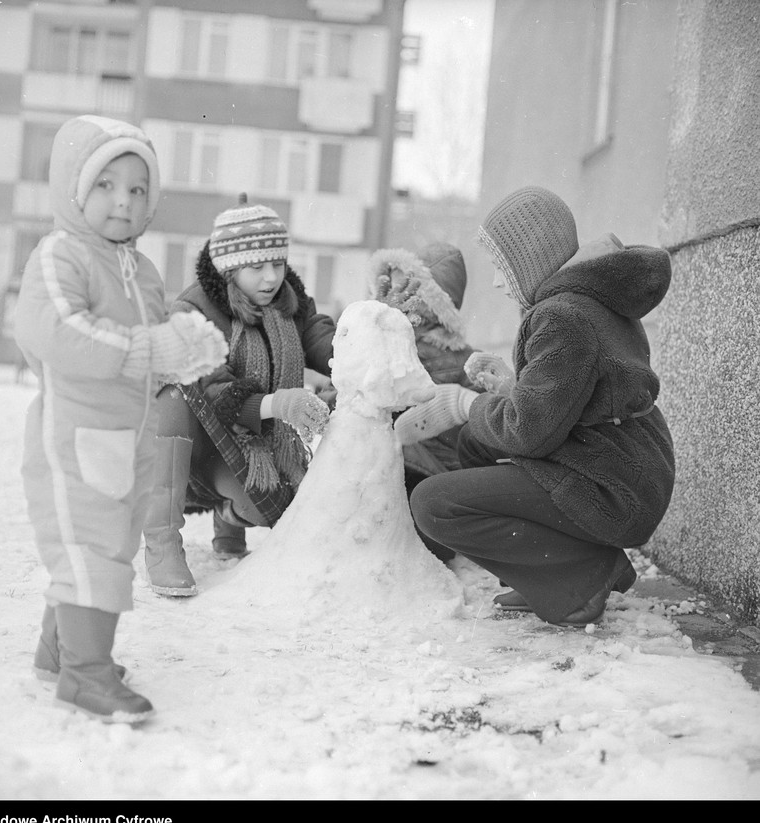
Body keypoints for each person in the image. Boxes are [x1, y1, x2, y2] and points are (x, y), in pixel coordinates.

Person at [15, 114, 228, 723]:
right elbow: (53, 332)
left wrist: (183, 350)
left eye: (138, 189)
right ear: (74, 188)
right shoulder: (61, 255)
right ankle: (86, 675)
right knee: (90, 548)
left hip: (127, 435)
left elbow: (155, 343)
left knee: (111, 542)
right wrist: (145, 349)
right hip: (73, 436)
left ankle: (59, 653)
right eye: (107, 185)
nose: (124, 202)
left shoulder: (143, 270)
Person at [397, 185, 675, 627]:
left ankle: (583, 578)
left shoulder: (563, 316)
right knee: (475, 445)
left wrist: (464, 403)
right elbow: (586, 392)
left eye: (498, 266)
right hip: (628, 465)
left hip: (614, 485)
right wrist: (512, 386)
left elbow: (530, 432)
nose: (494, 281)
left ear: (528, 260)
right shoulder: (589, 298)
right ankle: (558, 573)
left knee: (434, 504)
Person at [143, 194, 335, 597]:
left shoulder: (289, 303)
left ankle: (229, 515)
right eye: (256, 267)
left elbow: (323, 340)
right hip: (194, 443)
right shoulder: (192, 310)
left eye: (278, 264)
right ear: (229, 268)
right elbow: (214, 391)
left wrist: (360, 350)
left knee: (275, 509)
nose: (271, 278)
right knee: (174, 394)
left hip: (250, 443)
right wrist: (280, 403)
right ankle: (162, 542)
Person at [369, 242, 513, 562]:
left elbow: (483, 426)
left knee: (422, 533)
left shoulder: (461, 359)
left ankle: (433, 538)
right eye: (391, 283)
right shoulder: (378, 340)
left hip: (428, 472)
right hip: (385, 466)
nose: (397, 293)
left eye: (408, 286)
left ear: (437, 302)